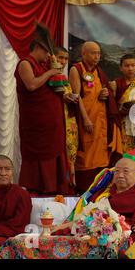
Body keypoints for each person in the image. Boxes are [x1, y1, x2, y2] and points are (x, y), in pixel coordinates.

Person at [53, 150, 135, 241]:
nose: (120, 175)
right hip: (97, 237)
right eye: (117, 171)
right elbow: (88, 216)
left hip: (127, 240)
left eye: (125, 171)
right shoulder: (103, 193)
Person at [15, 26, 70, 194]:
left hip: (52, 125)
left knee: (56, 155)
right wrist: (49, 73)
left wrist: (55, 74)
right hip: (36, 125)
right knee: (40, 160)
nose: (48, 56)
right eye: (46, 52)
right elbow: (31, 85)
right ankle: (38, 192)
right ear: (38, 48)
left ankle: (54, 192)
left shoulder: (44, 65)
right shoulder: (25, 63)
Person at [69, 41, 121, 194]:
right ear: (84, 54)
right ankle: (84, 191)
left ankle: (100, 191)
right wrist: (85, 119)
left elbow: (103, 92)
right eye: (93, 53)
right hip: (86, 121)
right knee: (85, 156)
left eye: (98, 53)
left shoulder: (99, 72)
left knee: (101, 157)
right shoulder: (76, 69)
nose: (97, 56)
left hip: (100, 123)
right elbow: (76, 96)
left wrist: (105, 94)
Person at [56, 47, 79, 188]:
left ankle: (71, 184)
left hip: (70, 122)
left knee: (71, 155)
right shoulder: (51, 76)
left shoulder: (64, 78)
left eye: (65, 58)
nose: (63, 61)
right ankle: (64, 185)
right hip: (58, 122)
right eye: (60, 57)